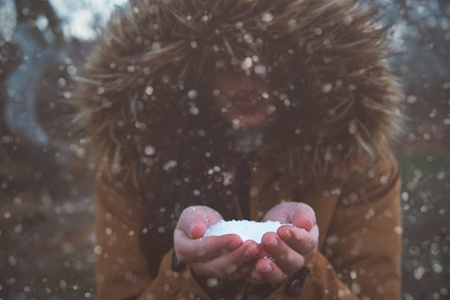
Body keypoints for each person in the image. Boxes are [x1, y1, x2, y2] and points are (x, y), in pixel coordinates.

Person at [75, 0, 403, 299]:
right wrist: (187, 273)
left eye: (269, 56)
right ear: (195, 62)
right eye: (227, 55)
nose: (249, 73)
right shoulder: (132, 161)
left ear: (301, 63)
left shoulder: (356, 160)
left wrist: (303, 273)